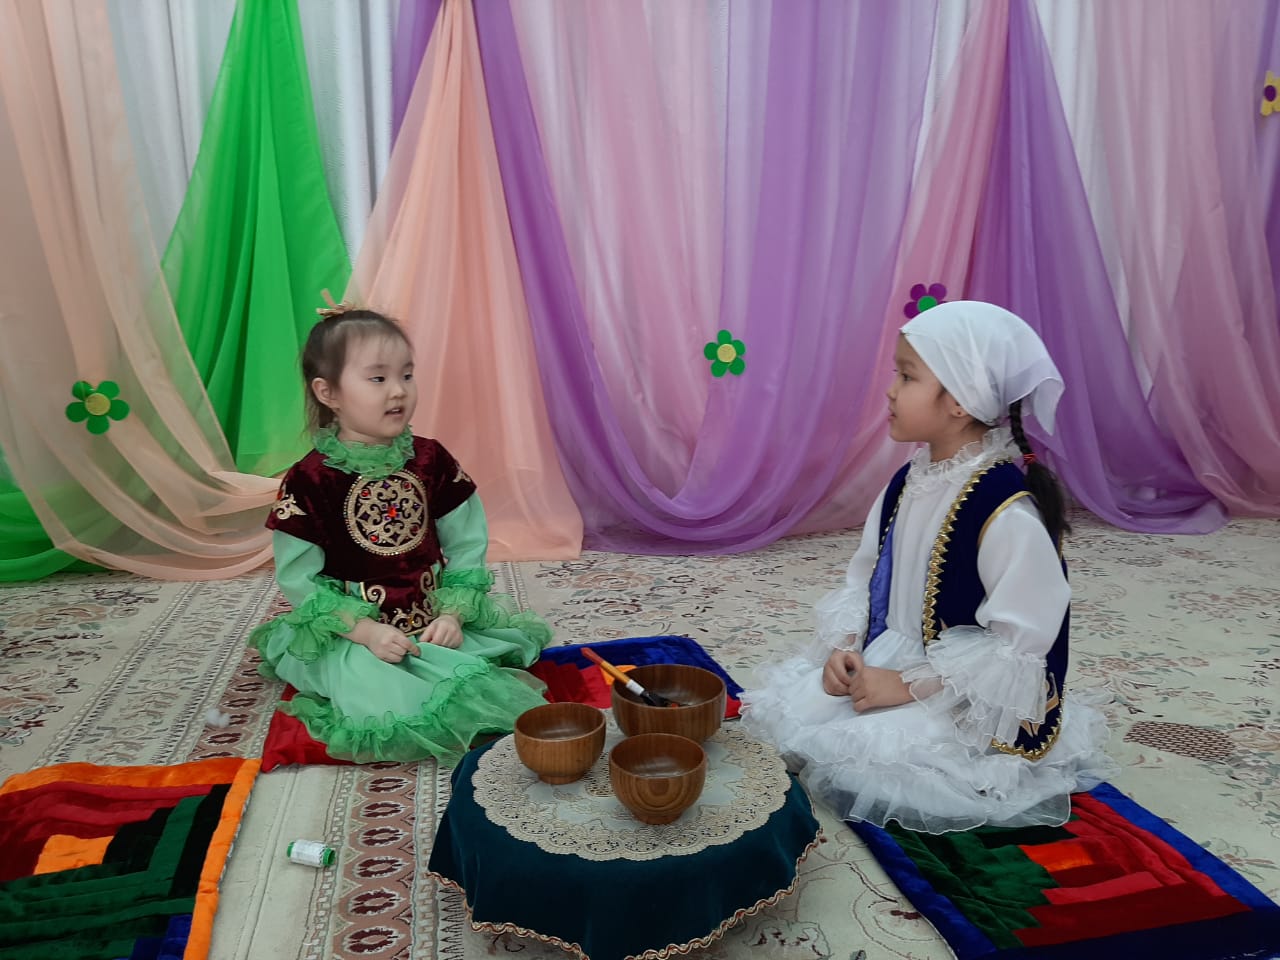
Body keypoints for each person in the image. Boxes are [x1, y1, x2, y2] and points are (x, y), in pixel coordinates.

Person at [741, 300, 1114, 833]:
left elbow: (1022, 644)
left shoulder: (1004, 509)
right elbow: (866, 579)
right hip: (891, 656)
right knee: (798, 713)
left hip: (961, 693)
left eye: (907, 376)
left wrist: (908, 685)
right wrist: (846, 648)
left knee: (879, 760)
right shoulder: (908, 481)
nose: (891, 391)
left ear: (960, 400)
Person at [249, 300, 551, 766]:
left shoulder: (431, 460)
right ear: (328, 392)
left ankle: (440, 648)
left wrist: (452, 615)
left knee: (475, 676)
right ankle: (377, 667)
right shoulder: (309, 481)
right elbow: (298, 578)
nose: (398, 391)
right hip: (355, 634)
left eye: (407, 375)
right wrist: (365, 631)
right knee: (385, 698)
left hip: (429, 617)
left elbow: (466, 542)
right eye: (377, 378)